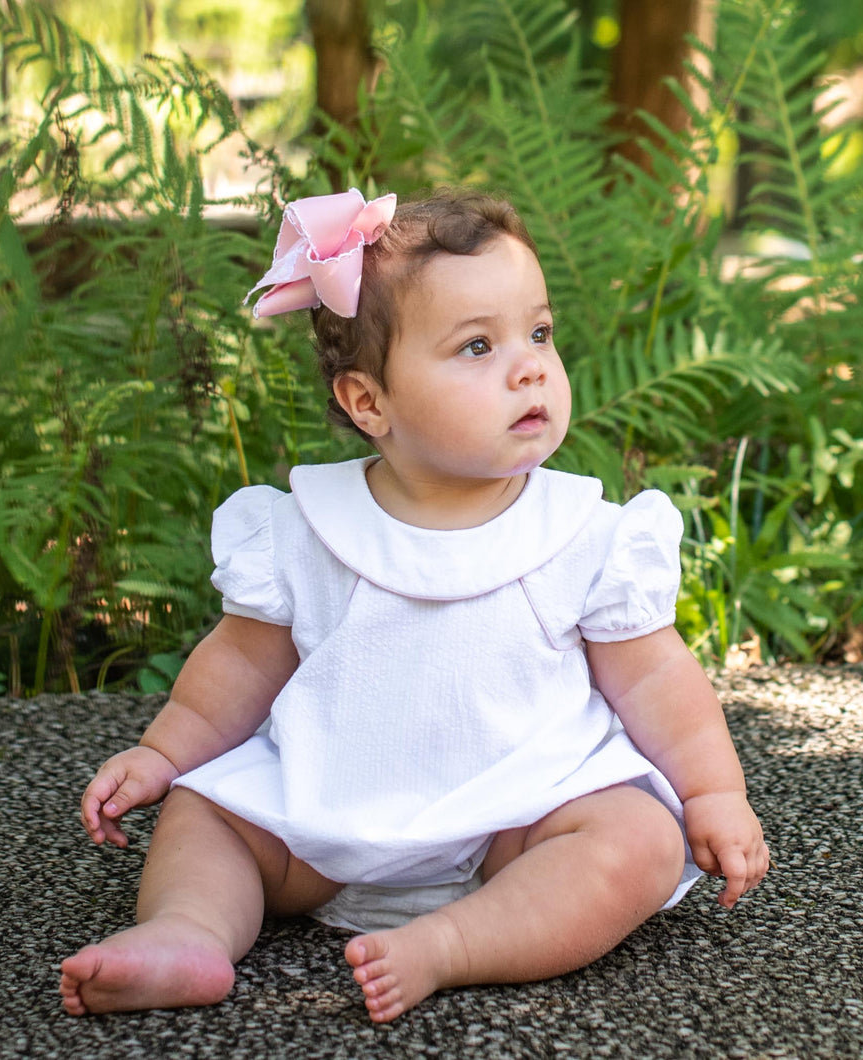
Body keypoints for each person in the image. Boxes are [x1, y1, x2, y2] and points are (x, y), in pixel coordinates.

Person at [60, 189, 769, 1023]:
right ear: (369, 402)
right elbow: (241, 663)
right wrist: (163, 753)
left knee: (638, 841)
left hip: (523, 823)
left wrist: (714, 793)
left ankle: (455, 944)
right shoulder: (307, 529)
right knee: (206, 813)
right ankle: (186, 933)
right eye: (477, 345)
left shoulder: (582, 534)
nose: (531, 365)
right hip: (326, 812)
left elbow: (655, 681)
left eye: (537, 333)